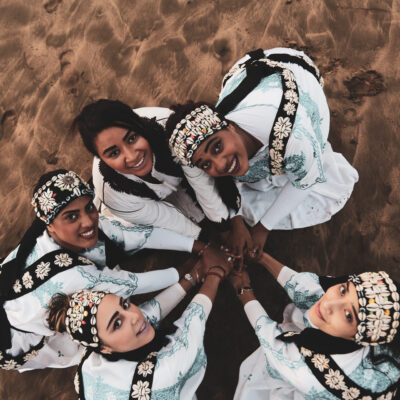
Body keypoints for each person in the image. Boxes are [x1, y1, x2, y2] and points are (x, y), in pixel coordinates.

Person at [0, 169, 233, 372]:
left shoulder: (68, 230)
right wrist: (191, 271)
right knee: (110, 334)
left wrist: (198, 246)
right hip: (18, 334)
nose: (88, 221)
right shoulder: (70, 278)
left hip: (30, 287)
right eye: (71, 217)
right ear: (49, 225)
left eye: (88, 207)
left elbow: (135, 235)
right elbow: (133, 282)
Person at [166, 47, 359, 264]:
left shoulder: (293, 138)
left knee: (306, 176)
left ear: (229, 126)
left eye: (217, 147)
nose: (219, 164)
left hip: (295, 71)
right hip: (254, 78)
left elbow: (302, 184)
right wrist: (237, 221)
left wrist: (262, 229)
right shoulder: (221, 127)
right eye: (205, 163)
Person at [47, 257, 233, 399]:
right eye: (117, 323)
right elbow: (192, 326)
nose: (135, 317)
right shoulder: (161, 376)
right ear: (104, 348)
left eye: (125, 305)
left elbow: (150, 313)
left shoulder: (91, 358)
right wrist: (215, 272)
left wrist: (193, 276)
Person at [228, 252, 399, 399]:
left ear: (357, 338)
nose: (328, 304)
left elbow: (270, 339)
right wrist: (261, 256)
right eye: (343, 290)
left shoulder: (309, 373)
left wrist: (243, 290)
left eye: (348, 315)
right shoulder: (376, 320)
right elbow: (309, 289)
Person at [72, 99, 231, 238]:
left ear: (140, 126)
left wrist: (224, 226)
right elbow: (165, 219)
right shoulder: (111, 192)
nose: (132, 156)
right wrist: (203, 240)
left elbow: (201, 182)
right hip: (137, 199)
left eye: (132, 138)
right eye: (114, 153)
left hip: (182, 170)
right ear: (102, 159)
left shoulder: (173, 133)